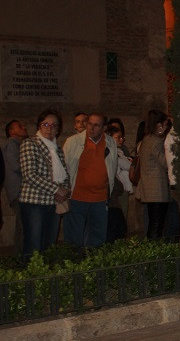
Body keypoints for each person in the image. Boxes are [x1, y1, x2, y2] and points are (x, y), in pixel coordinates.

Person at [19, 109, 71, 262]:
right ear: (39, 126)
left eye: (54, 125)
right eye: (46, 124)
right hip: (34, 203)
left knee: (49, 244)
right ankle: (29, 280)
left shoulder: (58, 149)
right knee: (33, 244)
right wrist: (57, 189)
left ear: (58, 129)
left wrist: (65, 190)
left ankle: (45, 279)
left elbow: (65, 175)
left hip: (54, 202)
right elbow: (29, 175)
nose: (49, 128)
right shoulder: (29, 143)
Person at [63, 113, 118, 248]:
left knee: (97, 239)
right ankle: (75, 266)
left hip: (99, 199)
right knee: (74, 239)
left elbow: (112, 167)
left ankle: (94, 266)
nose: (91, 128)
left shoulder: (110, 143)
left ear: (104, 128)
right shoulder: (73, 142)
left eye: (96, 125)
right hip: (77, 197)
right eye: (89, 124)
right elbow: (64, 167)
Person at [134, 110, 170, 239]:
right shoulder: (155, 142)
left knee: (154, 224)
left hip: (150, 189)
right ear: (159, 126)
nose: (167, 128)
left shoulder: (147, 139)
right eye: (166, 124)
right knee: (156, 225)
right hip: (156, 190)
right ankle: (154, 252)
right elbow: (165, 163)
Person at [4, 120, 29, 255]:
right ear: (11, 132)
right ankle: (22, 258)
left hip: (19, 192)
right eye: (20, 126)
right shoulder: (11, 145)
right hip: (19, 192)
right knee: (24, 226)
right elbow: (16, 166)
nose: (24, 127)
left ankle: (19, 257)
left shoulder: (18, 145)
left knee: (21, 227)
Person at [106, 125, 132, 242]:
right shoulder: (112, 152)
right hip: (114, 192)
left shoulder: (119, 151)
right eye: (118, 137)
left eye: (122, 137)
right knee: (117, 224)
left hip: (119, 190)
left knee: (119, 224)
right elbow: (127, 166)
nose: (121, 140)